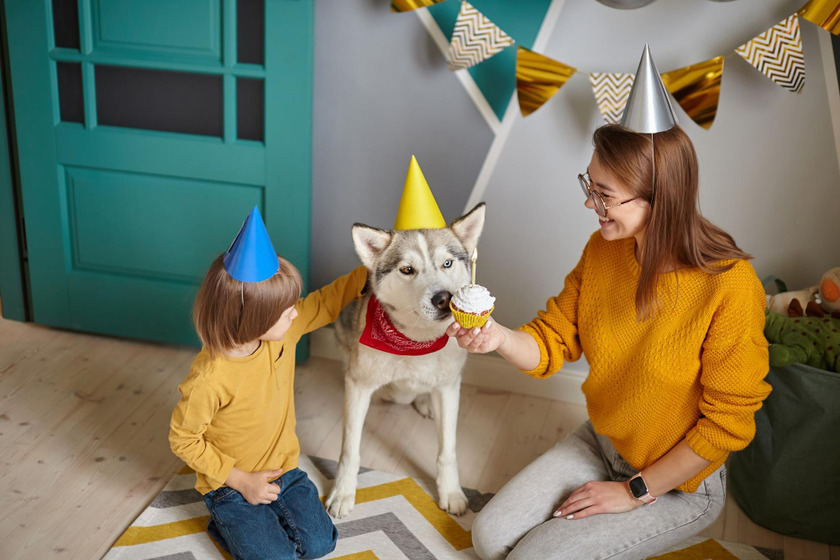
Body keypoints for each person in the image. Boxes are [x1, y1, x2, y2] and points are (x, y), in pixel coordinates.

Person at [446, 122, 771, 560]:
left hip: (678, 486)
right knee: (488, 537)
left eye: (604, 194)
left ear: (661, 197)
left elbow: (726, 425)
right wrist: (496, 337)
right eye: (589, 185)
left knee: (533, 557)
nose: (589, 202)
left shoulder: (730, 286)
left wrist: (633, 491)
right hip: (602, 441)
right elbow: (552, 339)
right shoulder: (604, 250)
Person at [169, 207, 367, 560]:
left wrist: (368, 275)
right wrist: (240, 481)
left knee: (323, 543)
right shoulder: (209, 379)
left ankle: (250, 529)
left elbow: (324, 303)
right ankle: (225, 522)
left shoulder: (282, 333)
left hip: (283, 468)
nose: (296, 313)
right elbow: (183, 440)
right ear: (252, 320)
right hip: (229, 485)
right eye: (286, 310)